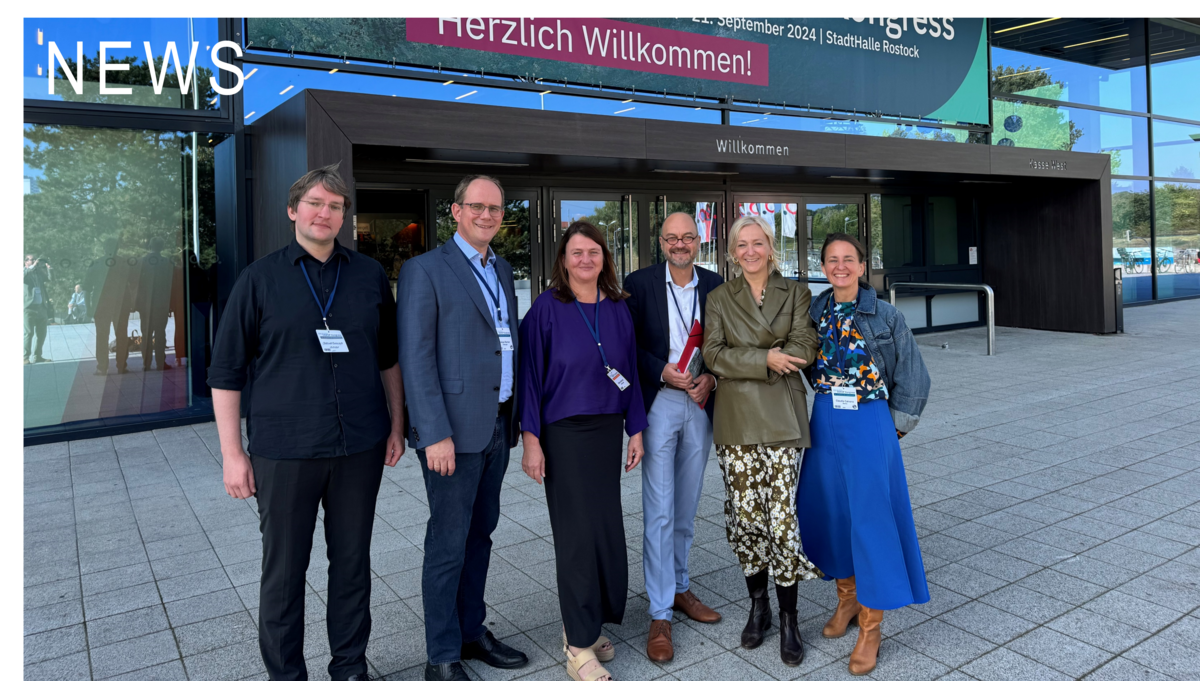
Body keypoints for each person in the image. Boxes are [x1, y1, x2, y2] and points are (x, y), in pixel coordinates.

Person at [207, 163, 405, 681]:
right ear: (293, 210)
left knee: (352, 566)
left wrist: (397, 424)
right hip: (285, 449)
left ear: (344, 216)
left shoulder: (367, 276)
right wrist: (232, 454)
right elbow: (226, 373)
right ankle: (286, 674)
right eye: (315, 203)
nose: (325, 213)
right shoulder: (259, 280)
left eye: (335, 206)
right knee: (284, 572)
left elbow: (389, 358)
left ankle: (349, 666)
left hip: (359, 444)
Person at [397, 175, 528, 681]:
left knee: (481, 536)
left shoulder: (500, 266)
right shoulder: (425, 270)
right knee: (448, 542)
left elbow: (503, 342)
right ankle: (442, 655)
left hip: (497, 425)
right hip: (451, 432)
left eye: (495, 208)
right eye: (477, 206)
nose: (487, 215)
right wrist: (433, 433)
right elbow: (416, 358)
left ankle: (472, 631)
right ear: (456, 211)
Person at [797, 233, 931, 676]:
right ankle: (847, 599)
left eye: (847, 259)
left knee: (871, 519)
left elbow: (914, 375)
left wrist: (896, 426)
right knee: (833, 513)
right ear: (824, 266)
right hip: (825, 420)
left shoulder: (884, 314)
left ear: (861, 265)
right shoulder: (815, 310)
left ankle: (871, 626)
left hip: (870, 419)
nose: (840, 266)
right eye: (832, 260)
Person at [519, 220, 646, 681]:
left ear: (604, 258)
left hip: (607, 429)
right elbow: (530, 378)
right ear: (563, 260)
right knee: (575, 538)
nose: (586, 260)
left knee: (604, 530)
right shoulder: (546, 309)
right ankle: (577, 645)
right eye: (577, 253)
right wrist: (531, 441)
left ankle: (589, 627)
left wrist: (637, 429)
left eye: (594, 252)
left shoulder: (617, 308)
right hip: (564, 434)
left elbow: (629, 369)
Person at [701, 215, 822, 667]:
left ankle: (790, 618)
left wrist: (752, 357)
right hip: (736, 421)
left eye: (758, 243)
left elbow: (805, 346)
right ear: (732, 252)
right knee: (746, 516)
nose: (750, 251)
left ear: (771, 247)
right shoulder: (717, 297)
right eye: (741, 245)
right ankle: (760, 607)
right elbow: (712, 354)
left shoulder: (796, 292)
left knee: (781, 518)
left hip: (783, 418)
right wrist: (767, 355)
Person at [623, 213, 724, 662]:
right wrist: (659, 369)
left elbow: (728, 344)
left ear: (698, 241)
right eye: (672, 238)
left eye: (687, 237)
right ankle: (660, 611)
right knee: (659, 509)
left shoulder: (716, 283)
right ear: (660, 242)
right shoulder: (639, 283)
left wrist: (714, 380)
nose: (680, 244)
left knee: (686, 505)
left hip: (700, 403)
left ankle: (681, 588)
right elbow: (627, 346)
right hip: (661, 400)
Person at [84, 239, 135, 375]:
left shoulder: (96, 264)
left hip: (101, 305)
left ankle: (102, 367)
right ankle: (121, 365)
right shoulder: (125, 264)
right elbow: (133, 285)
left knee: (101, 335)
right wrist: (133, 302)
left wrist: (89, 307)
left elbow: (87, 288)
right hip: (121, 304)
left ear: (104, 248)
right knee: (122, 335)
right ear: (117, 248)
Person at [136, 236, 175, 370]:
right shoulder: (167, 263)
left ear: (150, 246)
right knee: (160, 333)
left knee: (146, 334)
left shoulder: (141, 262)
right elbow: (170, 285)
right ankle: (160, 363)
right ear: (161, 247)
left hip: (145, 305)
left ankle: (146, 364)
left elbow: (137, 285)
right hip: (161, 304)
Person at [22, 254, 53, 364]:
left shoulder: (38, 273)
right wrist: (33, 266)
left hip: (41, 307)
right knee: (28, 333)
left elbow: (50, 279)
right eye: (32, 260)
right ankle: (24, 357)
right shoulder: (24, 271)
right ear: (26, 262)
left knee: (42, 333)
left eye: (36, 259)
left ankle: (38, 356)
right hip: (28, 308)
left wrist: (49, 269)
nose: (35, 261)